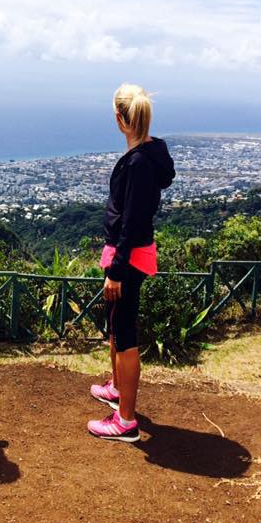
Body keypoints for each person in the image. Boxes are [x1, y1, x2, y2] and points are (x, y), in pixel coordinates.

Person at [88, 84, 175, 442]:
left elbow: (132, 222)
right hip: (130, 253)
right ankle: (117, 388)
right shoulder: (151, 152)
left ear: (121, 119)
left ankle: (125, 421)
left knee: (124, 334)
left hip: (129, 256)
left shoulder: (138, 163)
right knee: (115, 324)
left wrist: (117, 272)